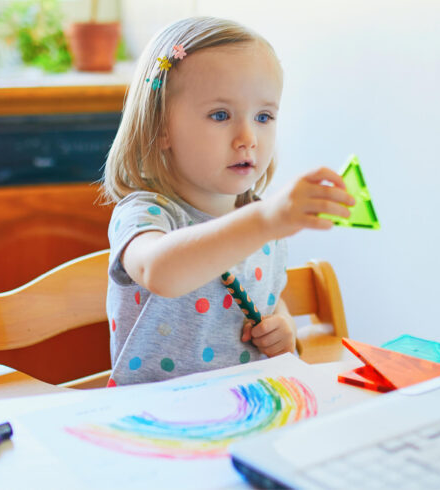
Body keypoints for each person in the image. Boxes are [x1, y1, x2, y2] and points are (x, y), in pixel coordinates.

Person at [100, 17, 355, 386]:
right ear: (161, 128)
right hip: (160, 421)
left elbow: (267, 299)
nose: (248, 137)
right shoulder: (145, 214)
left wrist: (281, 327)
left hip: (251, 409)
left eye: (264, 116)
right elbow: (160, 272)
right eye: (220, 115)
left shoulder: (261, 222)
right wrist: (265, 220)